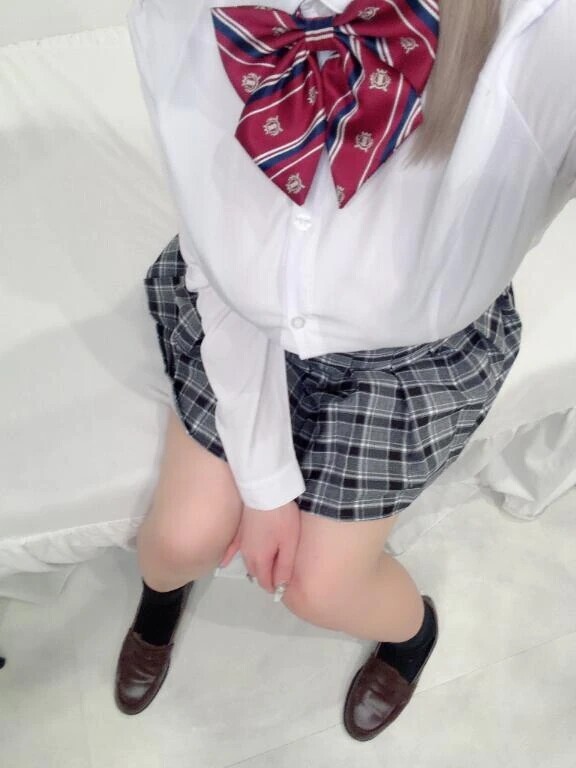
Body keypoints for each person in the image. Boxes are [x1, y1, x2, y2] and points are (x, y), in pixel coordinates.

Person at [115, 0, 576, 741]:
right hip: (241, 319)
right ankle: (163, 600)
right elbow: (214, 242)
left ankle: (414, 635)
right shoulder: (190, 18)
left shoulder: (545, 37)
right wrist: (264, 481)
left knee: (322, 588)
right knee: (177, 542)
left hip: (407, 361)